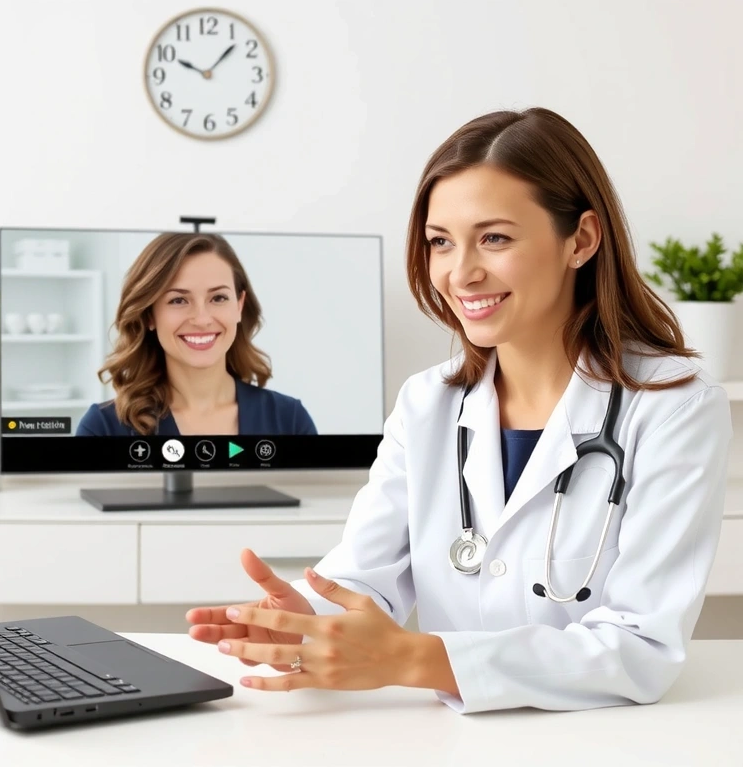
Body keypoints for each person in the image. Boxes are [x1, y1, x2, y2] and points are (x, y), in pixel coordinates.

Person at [186, 107, 732, 714]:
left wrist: (413, 659)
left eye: (494, 238)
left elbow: (641, 647)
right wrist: (301, 623)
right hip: (450, 741)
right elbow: (364, 582)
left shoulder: (672, 406)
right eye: (440, 242)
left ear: (580, 239)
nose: (460, 273)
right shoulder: (428, 403)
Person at [75, 232, 318, 437]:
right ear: (149, 315)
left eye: (218, 298)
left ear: (239, 306)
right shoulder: (102, 428)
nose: (201, 319)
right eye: (178, 300)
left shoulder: (290, 420)